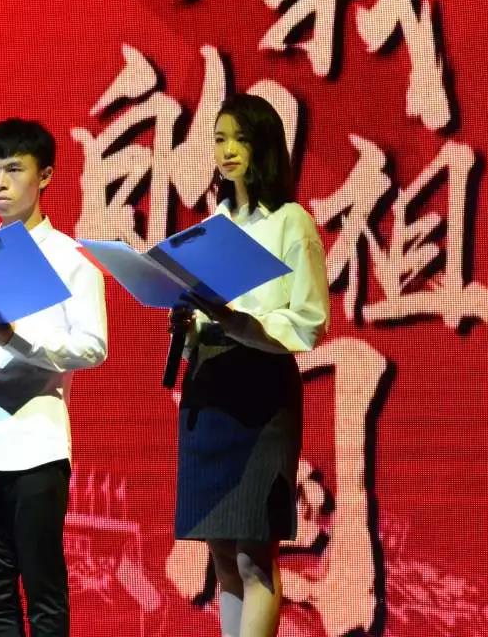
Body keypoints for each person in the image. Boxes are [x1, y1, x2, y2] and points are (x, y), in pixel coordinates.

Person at [171, 94, 330, 637]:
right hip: (209, 387)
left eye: (240, 138)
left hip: (260, 391)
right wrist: (188, 320)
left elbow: (309, 320)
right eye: (219, 139)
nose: (228, 150)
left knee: (253, 555)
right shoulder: (213, 225)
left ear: (265, 147)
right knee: (221, 554)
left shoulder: (291, 222)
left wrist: (240, 322)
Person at [0, 118, 107, 637]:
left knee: (44, 595)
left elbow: (93, 347)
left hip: (35, 447)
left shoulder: (72, 260)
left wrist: (15, 339)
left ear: (46, 176)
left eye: (14, 170)